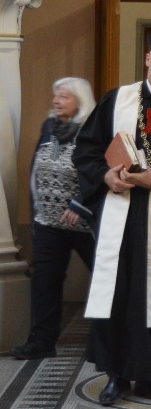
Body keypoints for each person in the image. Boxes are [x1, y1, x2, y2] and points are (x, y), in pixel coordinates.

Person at [73, 33, 151, 406]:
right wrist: (105, 176)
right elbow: (86, 149)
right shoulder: (116, 99)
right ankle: (115, 376)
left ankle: (148, 376)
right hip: (118, 211)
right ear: (147, 59)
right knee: (117, 294)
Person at [12, 77, 97, 360]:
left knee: (105, 280)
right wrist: (36, 214)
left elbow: (98, 173)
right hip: (48, 221)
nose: (56, 101)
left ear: (80, 101)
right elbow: (36, 171)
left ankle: (107, 342)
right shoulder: (49, 127)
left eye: (63, 96)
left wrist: (80, 205)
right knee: (45, 282)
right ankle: (42, 342)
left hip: (85, 223)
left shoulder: (92, 130)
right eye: (55, 95)